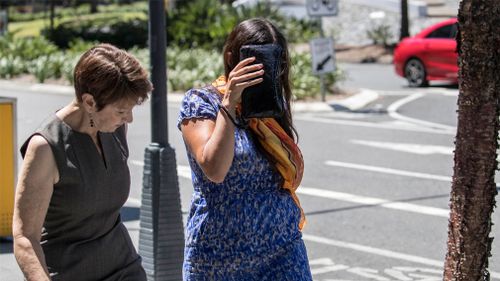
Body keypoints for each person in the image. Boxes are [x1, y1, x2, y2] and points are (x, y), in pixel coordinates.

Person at [178, 18, 313, 280]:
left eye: (275, 63)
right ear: (231, 57)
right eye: (256, 62)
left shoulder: (273, 102)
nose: (266, 72)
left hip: (282, 250)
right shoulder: (201, 101)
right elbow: (214, 169)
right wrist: (229, 104)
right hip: (219, 256)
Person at [12, 43, 153, 281]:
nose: (128, 118)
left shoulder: (115, 129)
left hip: (125, 269)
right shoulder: (45, 148)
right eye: (121, 111)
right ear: (89, 102)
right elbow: (25, 238)